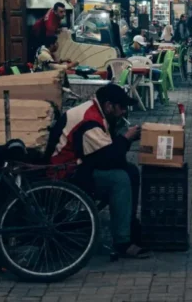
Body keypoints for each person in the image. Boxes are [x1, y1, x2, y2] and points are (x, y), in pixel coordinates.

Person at [51, 83, 149, 258]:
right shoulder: (90, 121)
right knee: (119, 179)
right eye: (122, 107)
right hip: (65, 172)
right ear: (109, 106)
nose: (124, 112)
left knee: (131, 171)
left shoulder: (98, 112)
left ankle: (130, 226)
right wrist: (126, 138)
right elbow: (107, 157)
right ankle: (122, 241)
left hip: (81, 164)